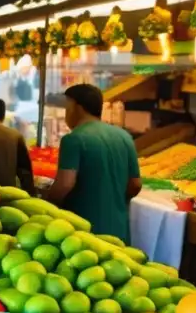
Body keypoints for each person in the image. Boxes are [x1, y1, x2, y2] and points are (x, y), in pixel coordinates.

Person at [45, 84, 141, 242]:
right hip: (118, 228)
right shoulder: (125, 137)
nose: (66, 113)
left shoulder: (73, 139)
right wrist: (113, 200)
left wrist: (46, 205)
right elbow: (135, 184)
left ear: (77, 107)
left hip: (83, 230)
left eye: (67, 107)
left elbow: (65, 184)